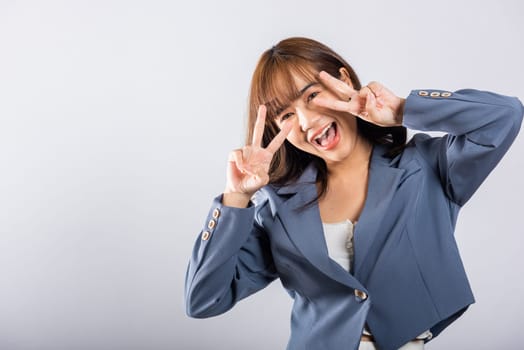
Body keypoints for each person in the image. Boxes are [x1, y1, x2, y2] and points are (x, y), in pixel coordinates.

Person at [184, 37, 523, 350]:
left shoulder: (426, 166)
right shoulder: (278, 210)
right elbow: (203, 300)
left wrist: (403, 109)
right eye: (286, 115)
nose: (304, 122)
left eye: (311, 95)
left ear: (344, 80)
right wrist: (235, 198)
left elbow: (504, 116)